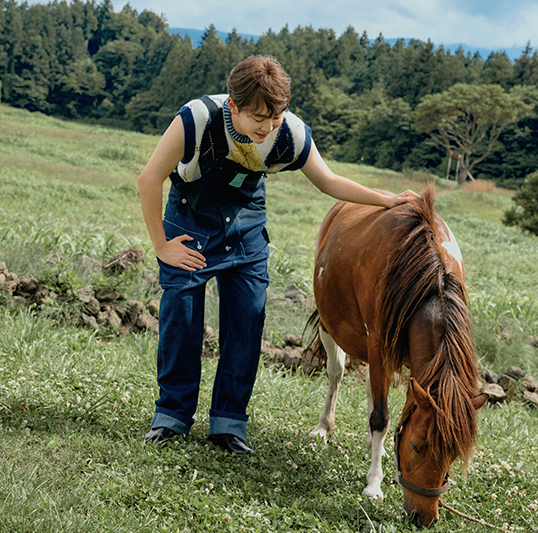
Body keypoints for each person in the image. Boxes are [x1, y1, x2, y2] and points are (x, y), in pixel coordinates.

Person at [138, 54, 419, 455]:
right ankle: (171, 418)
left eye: (275, 116)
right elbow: (149, 179)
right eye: (258, 118)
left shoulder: (291, 134)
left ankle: (228, 425)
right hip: (191, 222)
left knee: (247, 321)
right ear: (233, 105)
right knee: (181, 317)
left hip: (247, 226)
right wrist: (162, 246)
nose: (267, 127)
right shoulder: (197, 119)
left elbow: (328, 180)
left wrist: (386, 200)